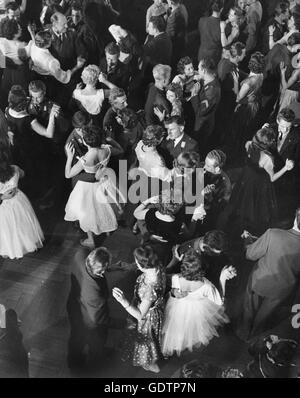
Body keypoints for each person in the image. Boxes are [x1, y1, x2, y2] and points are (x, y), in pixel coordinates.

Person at [237, 207, 300, 340]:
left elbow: (250, 254)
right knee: (264, 315)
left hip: (260, 281)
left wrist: (248, 240)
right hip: (282, 290)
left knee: (250, 309)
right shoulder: (273, 235)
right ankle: (254, 335)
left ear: (295, 219)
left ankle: (244, 333)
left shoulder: (273, 234)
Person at [218, 126, 294, 236]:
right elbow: (272, 178)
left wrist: (262, 131)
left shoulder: (248, 144)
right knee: (254, 209)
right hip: (258, 184)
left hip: (245, 177)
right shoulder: (267, 158)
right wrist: (286, 168)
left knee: (238, 201)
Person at [161, 248, 234, 357]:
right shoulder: (206, 286)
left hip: (178, 308)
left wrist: (172, 291)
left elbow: (162, 277)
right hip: (196, 312)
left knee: (176, 327)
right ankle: (186, 344)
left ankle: (175, 345)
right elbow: (219, 301)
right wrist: (222, 279)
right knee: (191, 329)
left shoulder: (175, 278)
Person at [64, 125, 123, 248]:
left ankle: (91, 239)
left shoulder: (86, 158)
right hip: (104, 182)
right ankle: (107, 229)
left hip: (89, 188)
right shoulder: (107, 149)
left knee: (88, 213)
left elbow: (68, 174)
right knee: (105, 207)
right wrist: (110, 140)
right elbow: (121, 150)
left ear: (85, 141)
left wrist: (70, 157)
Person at [112, 245, 166, 373]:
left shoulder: (150, 289)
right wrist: (127, 266)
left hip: (146, 318)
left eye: (136, 261)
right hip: (155, 308)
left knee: (146, 343)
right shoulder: (158, 267)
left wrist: (123, 301)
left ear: (143, 266)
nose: (135, 262)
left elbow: (140, 315)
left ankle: (149, 364)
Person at [5, 85, 59, 197]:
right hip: (32, 148)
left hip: (18, 147)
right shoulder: (28, 120)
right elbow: (48, 134)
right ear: (23, 103)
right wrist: (52, 116)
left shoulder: (7, 111)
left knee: (25, 170)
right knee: (36, 169)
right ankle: (41, 194)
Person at [67, 247, 112, 374]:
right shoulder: (94, 290)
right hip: (91, 320)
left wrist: (110, 267)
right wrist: (124, 323)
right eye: (101, 272)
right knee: (97, 344)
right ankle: (94, 368)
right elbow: (100, 319)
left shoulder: (82, 253)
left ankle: (73, 362)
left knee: (76, 337)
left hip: (74, 306)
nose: (103, 274)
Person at [0, 153, 44, 259]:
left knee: (8, 229)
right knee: (21, 225)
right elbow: (23, 174)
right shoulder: (14, 168)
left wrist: (2, 196)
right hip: (18, 200)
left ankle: (12, 249)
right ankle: (26, 245)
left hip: (4, 205)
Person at [230, 51, 265, 160]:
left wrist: (235, 82)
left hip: (246, 108)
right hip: (255, 105)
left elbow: (238, 98)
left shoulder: (247, 82)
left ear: (251, 65)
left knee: (239, 130)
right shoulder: (261, 75)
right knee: (246, 129)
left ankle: (236, 152)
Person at [190, 58, 221, 154]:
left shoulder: (212, 91)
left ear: (203, 70)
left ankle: (198, 169)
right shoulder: (210, 79)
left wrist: (194, 95)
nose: (197, 71)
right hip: (200, 122)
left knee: (198, 151)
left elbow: (200, 111)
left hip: (202, 126)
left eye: (198, 68)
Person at [0, 18, 29, 109]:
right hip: (19, 73)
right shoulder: (22, 45)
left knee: (5, 92)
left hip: (7, 72)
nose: (21, 29)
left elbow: (1, 61)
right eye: (19, 29)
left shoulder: (1, 41)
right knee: (20, 94)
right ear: (13, 32)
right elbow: (25, 61)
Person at [142, 15, 173, 83]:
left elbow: (141, 51)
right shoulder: (165, 36)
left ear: (155, 29)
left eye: (149, 27)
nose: (148, 28)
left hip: (156, 75)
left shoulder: (157, 41)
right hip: (163, 72)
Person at [198, 0, 223, 66]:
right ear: (221, 9)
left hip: (202, 54)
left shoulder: (201, 20)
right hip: (213, 58)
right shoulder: (222, 26)